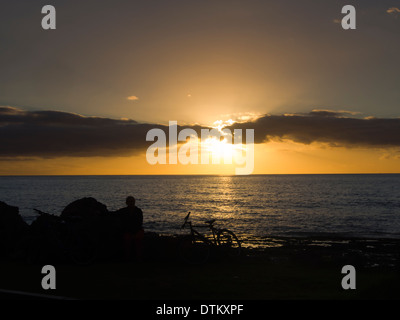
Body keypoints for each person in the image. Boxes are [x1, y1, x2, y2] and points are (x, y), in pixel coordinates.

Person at [115, 196, 144, 261]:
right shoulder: (123, 211)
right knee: (127, 241)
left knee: (138, 241)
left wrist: (134, 231)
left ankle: (138, 258)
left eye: (132, 201)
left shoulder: (138, 211)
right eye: (130, 201)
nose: (131, 203)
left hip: (136, 230)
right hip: (128, 231)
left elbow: (139, 223)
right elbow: (114, 214)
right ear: (127, 203)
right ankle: (127, 258)